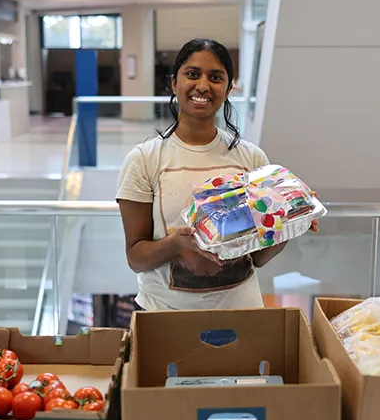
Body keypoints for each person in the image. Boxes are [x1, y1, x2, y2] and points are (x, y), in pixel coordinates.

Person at [116, 38, 309, 311]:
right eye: (192, 74)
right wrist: (176, 242)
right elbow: (136, 257)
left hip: (242, 313)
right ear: (174, 83)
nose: (203, 86)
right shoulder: (143, 160)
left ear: (229, 89)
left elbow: (258, 258)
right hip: (166, 316)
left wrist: (291, 221)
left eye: (215, 77)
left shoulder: (252, 158)